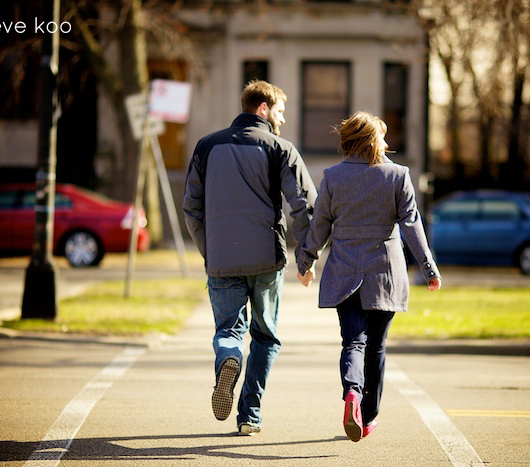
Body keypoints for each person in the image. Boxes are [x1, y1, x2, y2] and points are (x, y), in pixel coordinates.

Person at [296, 111, 441, 442]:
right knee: (376, 346)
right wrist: (429, 268)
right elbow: (412, 226)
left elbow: (320, 224)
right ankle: (369, 414)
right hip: (384, 275)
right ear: (371, 142)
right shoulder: (398, 176)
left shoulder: (332, 177)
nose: (388, 144)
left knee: (353, 342)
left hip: (344, 271)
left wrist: (305, 261)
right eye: (383, 137)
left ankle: (352, 393)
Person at [183, 80, 317, 435]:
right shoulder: (281, 149)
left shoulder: (206, 146)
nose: (283, 120)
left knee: (229, 330)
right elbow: (304, 206)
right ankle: (249, 416)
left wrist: (209, 251)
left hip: (222, 259)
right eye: (280, 112)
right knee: (265, 336)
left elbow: (190, 208)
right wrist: (306, 259)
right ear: (263, 109)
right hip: (266, 260)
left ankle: (228, 356)